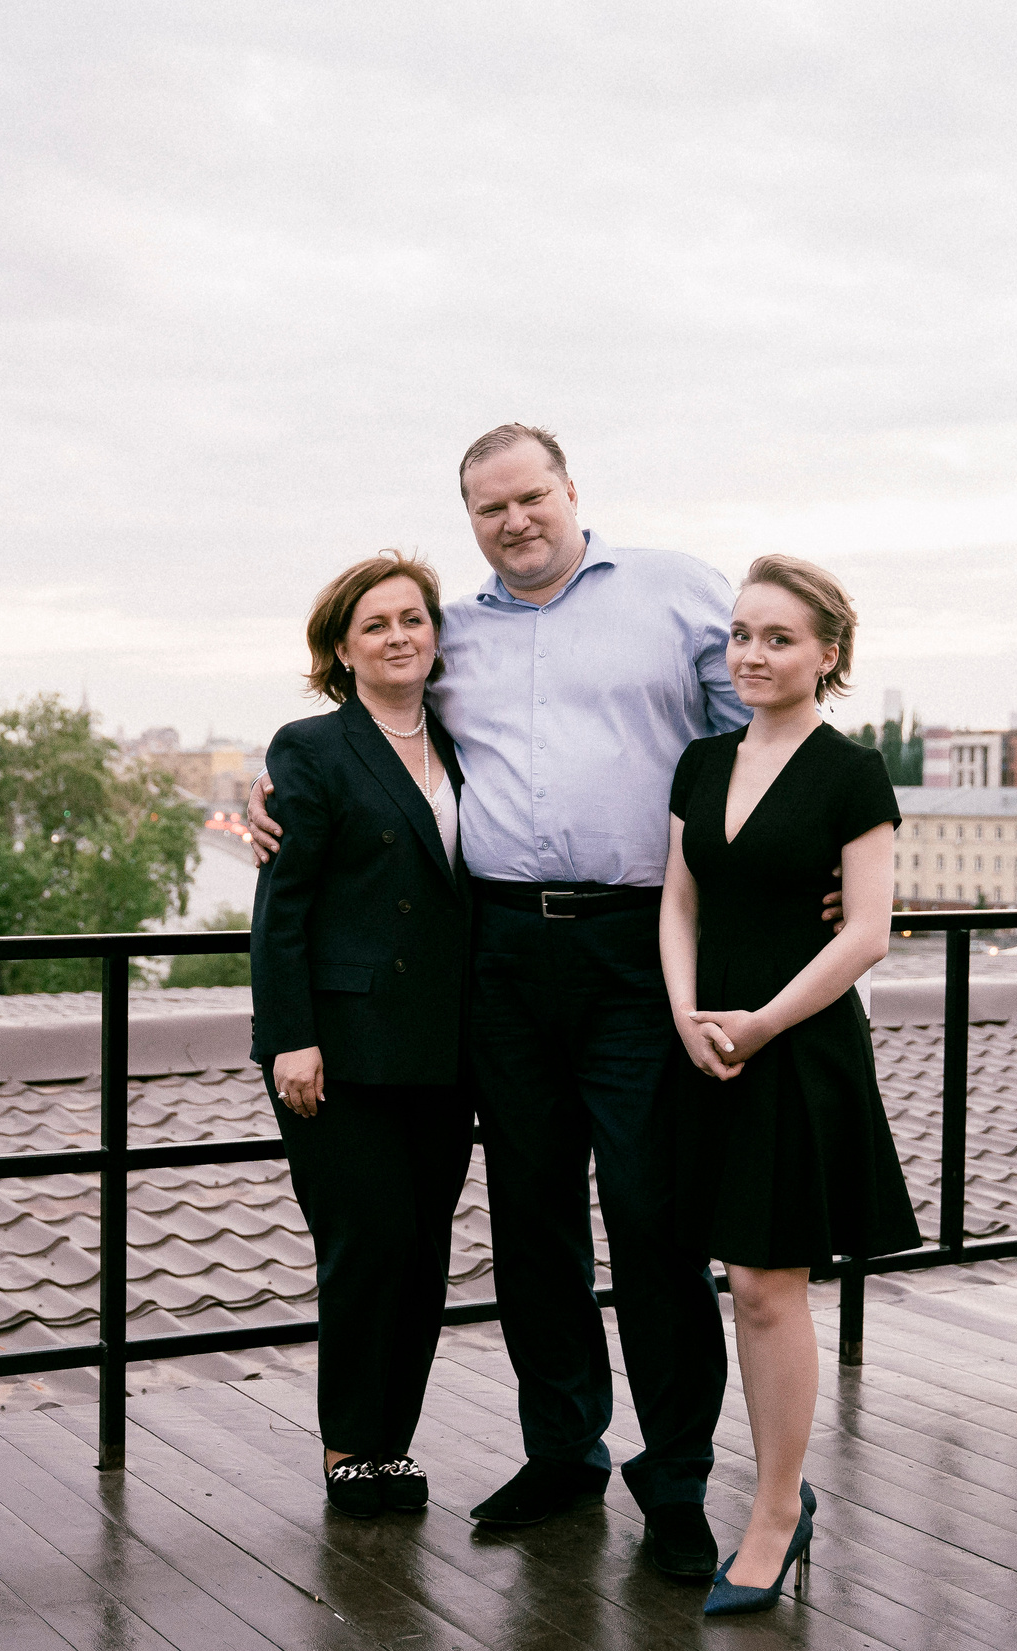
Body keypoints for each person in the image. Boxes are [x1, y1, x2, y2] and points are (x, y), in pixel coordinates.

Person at [251, 426, 755, 1578]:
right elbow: (366, 746)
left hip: (637, 949)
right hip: (502, 961)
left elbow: (761, 735)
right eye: (489, 508)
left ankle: (674, 1480)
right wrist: (268, 798)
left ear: (571, 490)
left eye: (530, 497)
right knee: (531, 1228)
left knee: (651, 1221)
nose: (514, 520)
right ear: (469, 520)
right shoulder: (453, 634)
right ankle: (563, 1453)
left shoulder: (678, 591)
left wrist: (832, 851)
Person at [660, 554, 921, 1615]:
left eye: (777, 638)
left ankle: (774, 1513)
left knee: (769, 1290)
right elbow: (676, 904)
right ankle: (754, 1495)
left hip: (795, 1045)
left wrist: (760, 1023)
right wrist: (684, 1014)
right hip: (702, 1041)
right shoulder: (698, 761)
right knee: (720, 1277)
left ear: (827, 655)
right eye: (739, 635)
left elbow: (867, 932)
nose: (752, 654)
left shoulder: (851, 771)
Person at [252, 551, 474, 1518]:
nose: (399, 636)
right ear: (342, 648)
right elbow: (281, 906)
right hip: (337, 1048)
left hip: (444, 1043)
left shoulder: (466, 743)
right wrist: (288, 1036)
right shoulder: (310, 748)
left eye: (413, 619)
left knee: (424, 1249)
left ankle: (392, 1444)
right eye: (376, 624)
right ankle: (350, 1447)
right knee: (366, 1242)